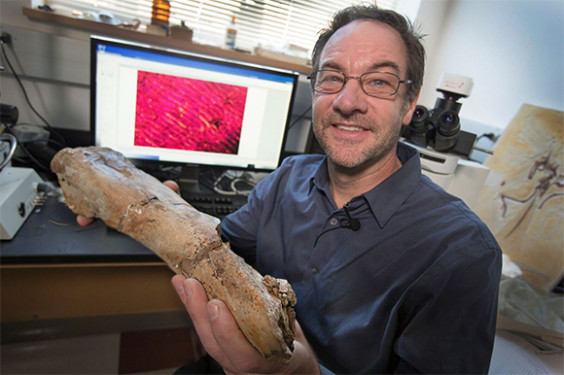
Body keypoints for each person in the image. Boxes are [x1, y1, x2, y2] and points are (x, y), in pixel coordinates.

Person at [82, 4, 502, 374]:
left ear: (410, 104)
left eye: (379, 82)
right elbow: (217, 245)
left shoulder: (461, 252)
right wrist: (150, 205)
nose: (348, 101)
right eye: (332, 77)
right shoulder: (288, 177)